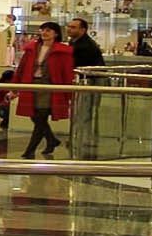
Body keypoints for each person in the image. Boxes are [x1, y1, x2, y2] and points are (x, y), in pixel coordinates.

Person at [13, 21, 75, 158]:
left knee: (41, 117)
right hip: (31, 85)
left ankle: (30, 150)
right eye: (42, 30)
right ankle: (52, 140)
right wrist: (14, 87)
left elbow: (67, 73)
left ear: (56, 34)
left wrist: (68, 93)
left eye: (48, 30)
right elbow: (21, 68)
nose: (44, 33)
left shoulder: (62, 51)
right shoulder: (32, 49)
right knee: (35, 116)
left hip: (49, 87)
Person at [65, 18, 104, 157]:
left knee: (84, 112)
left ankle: (83, 139)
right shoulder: (75, 42)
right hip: (86, 82)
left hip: (91, 83)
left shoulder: (85, 45)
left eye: (73, 27)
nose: (69, 29)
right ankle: (80, 137)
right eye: (69, 26)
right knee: (81, 112)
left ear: (83, 30)